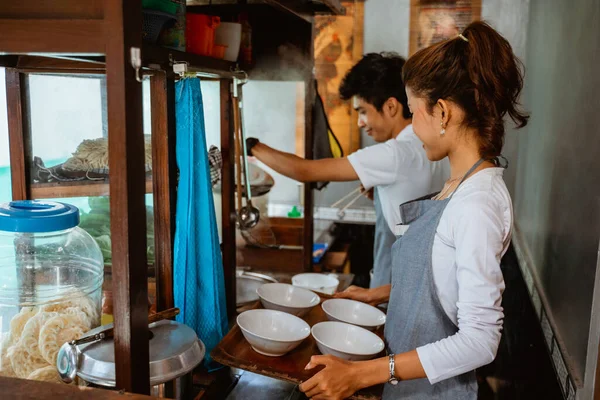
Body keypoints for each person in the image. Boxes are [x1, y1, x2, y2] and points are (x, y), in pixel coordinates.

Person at [298, 21, 529, 399]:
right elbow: (443, 283)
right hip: (408, 388)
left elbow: (480, 340)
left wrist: (362, 374)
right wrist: (379, 294)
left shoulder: (477, 204)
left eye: (413, 111)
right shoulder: (461, 186)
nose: (412, 126)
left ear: (442, 113)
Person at [246, 53, 448, 288]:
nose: (360, 122)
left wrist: (252, 146)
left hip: (396, 285)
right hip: (421, 282)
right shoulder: (431, 145)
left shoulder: (394, 154)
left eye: (362, 111)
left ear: (391, 106)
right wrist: (384, 194)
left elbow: (304, 171)